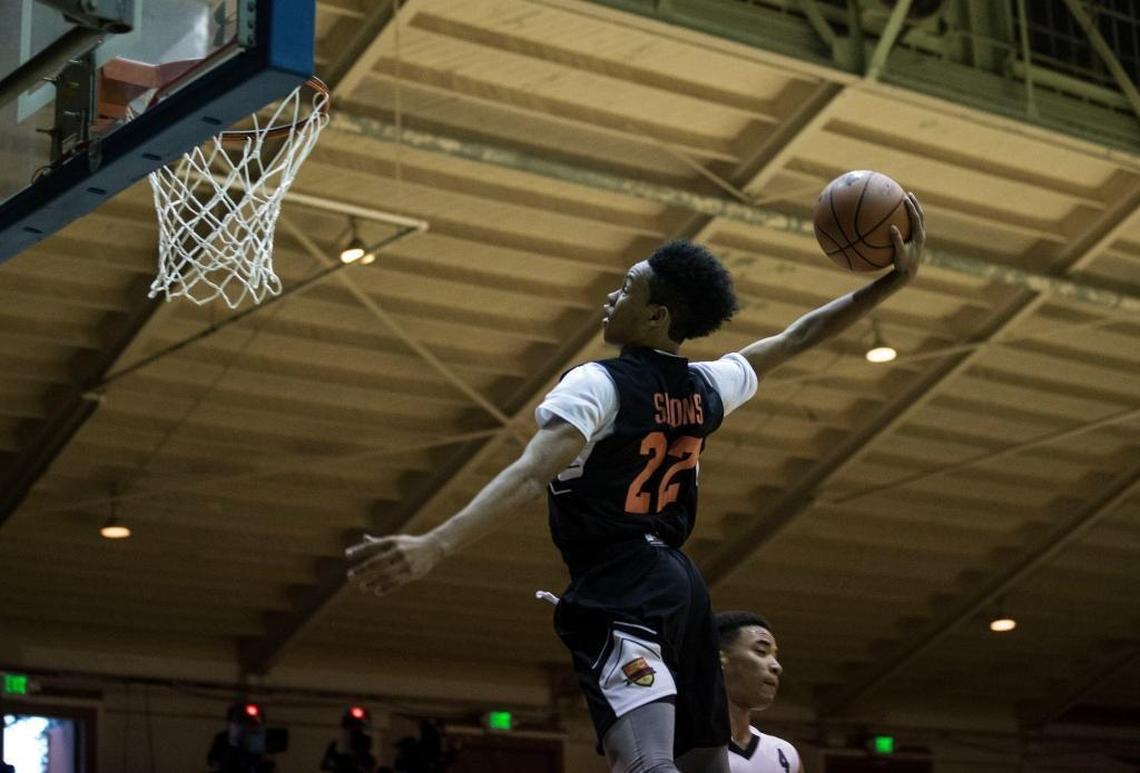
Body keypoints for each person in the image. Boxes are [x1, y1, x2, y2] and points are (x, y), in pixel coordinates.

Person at [346, 195, 925, 773]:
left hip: (622, 585)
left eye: (627, 288)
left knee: (649, 765)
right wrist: (890, 285)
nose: (611, 297)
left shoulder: (599, 383)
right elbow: (799, 337)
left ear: (657, 317)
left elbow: (529, 475)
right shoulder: (707, 386)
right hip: (683, 587)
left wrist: (435, 543)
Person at [717, 612, 801, 773]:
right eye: (761, 651)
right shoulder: (677, 747)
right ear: (718, 658)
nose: (776, 666)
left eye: (775, 656)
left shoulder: (785, 754)